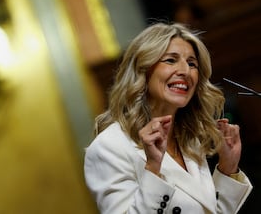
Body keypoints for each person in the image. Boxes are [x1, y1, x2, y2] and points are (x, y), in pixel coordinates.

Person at [84, 22, 252, 213]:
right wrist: (153, 168)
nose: (185, 71)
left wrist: (228, 167)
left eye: (192, 63)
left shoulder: (190, 139)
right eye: (171, 60)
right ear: (143, 70)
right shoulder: (109, 148)